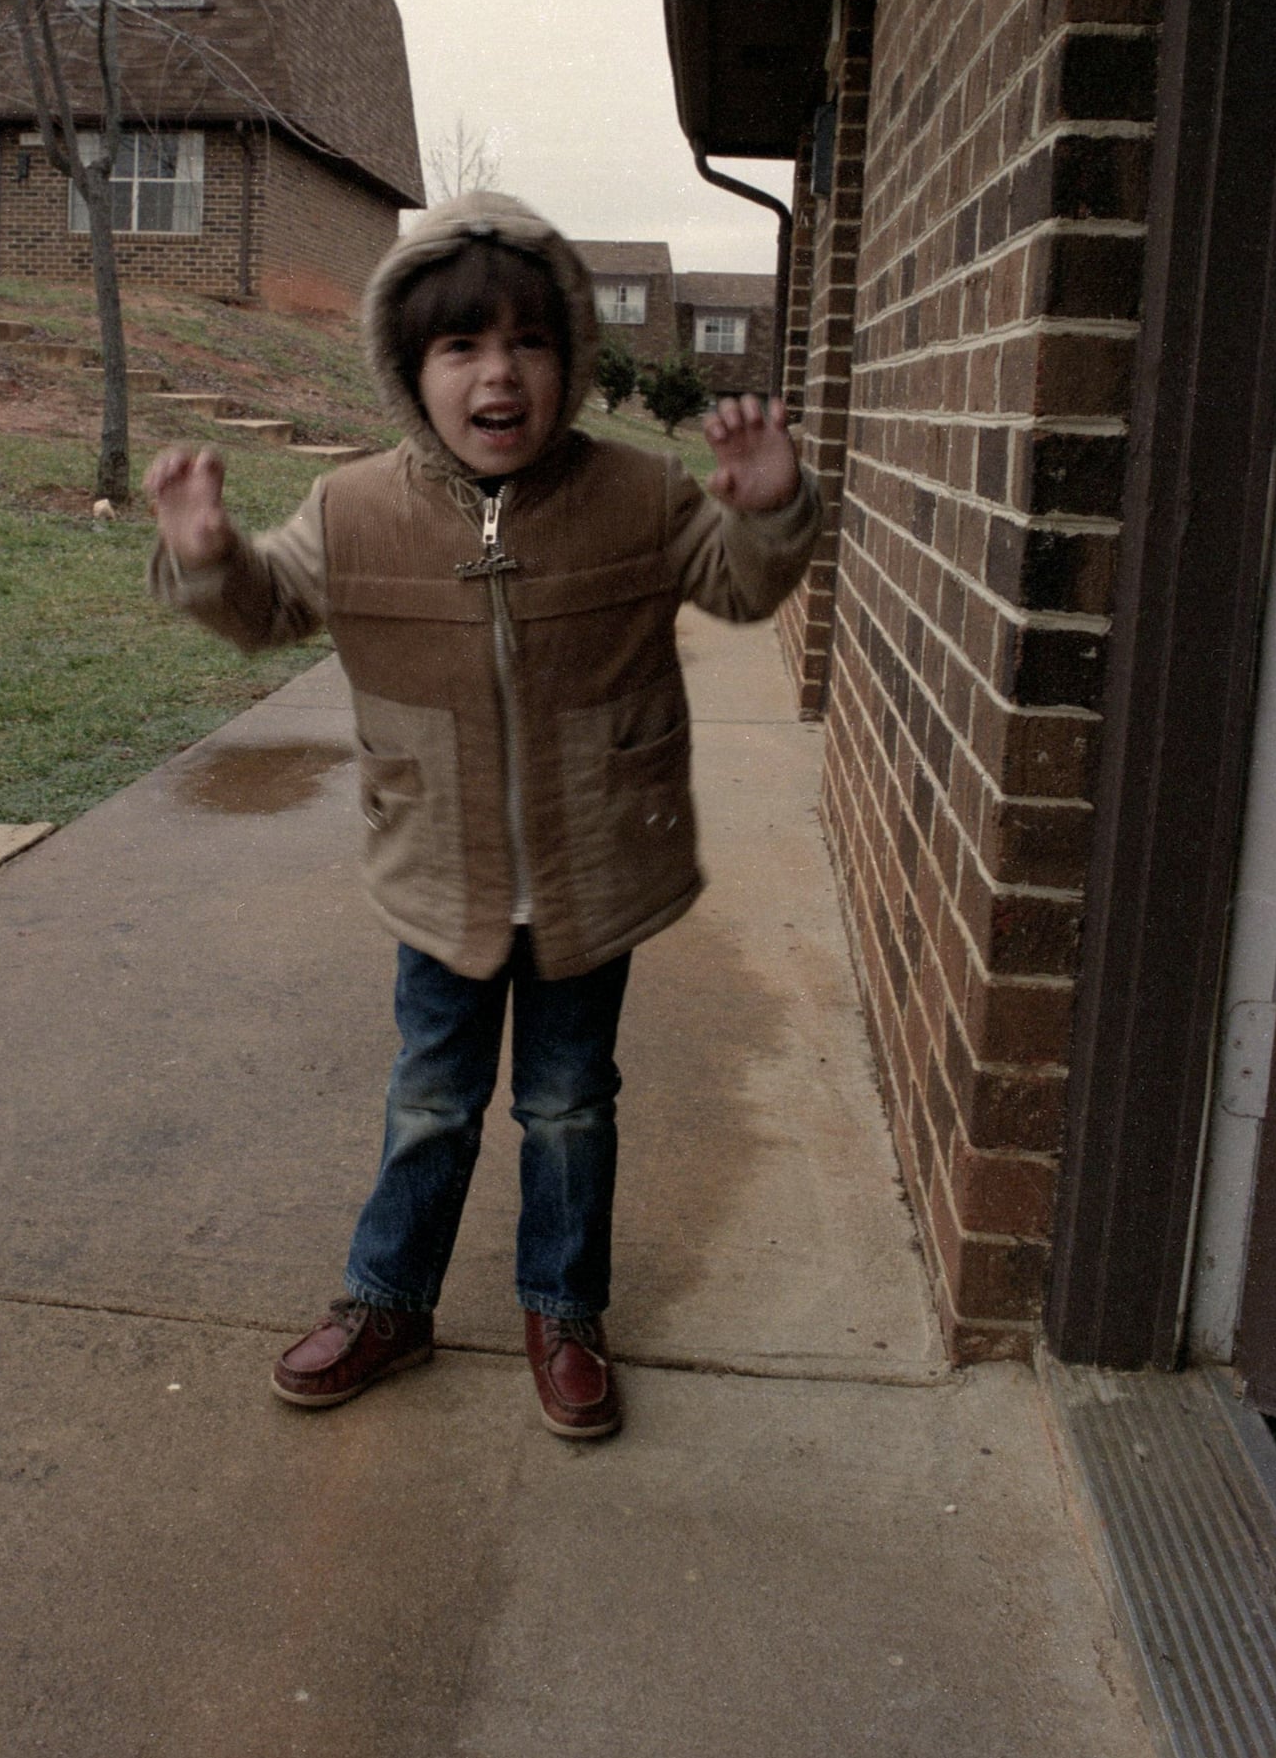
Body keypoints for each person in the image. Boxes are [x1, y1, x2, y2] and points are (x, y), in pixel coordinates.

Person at [144, 191, 819, 1439]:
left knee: (568, 1105)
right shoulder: (355, 509)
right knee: (430, 1100)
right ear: (411, 372)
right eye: (461, 346)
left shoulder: (637, 494)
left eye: (528, 343)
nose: (497, 373)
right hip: (439, 874)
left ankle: (562, 1310)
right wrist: (207, 555)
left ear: (572, 355)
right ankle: (388, 1299)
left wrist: (768, 507)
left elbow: (734, 583)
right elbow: (266, 607)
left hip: (590, 872)